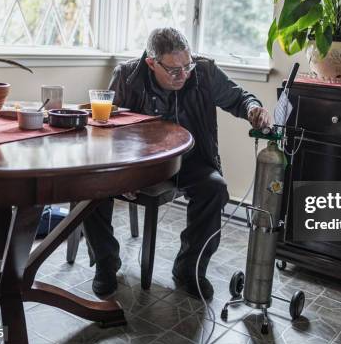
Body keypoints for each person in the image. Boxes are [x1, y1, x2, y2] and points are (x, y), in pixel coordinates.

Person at [83, 27, 270, 300]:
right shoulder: (126, 75)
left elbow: (239, 97)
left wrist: (253, 108)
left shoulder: (204, 72)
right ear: (151, 62)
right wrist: (124, 173)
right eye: (173, 70)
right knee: (89, 187)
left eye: (187, 65)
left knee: (214, 189)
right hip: (138, 163)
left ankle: (190, 268)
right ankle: (106, 262)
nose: (184, 75)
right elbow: (106, 128)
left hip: (191, 159)